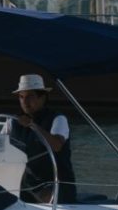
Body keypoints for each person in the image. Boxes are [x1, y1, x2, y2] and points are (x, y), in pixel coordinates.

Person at [9, 73, 75, 203]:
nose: (25, 102)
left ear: (42, 98)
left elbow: (56, 145)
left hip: (57, 187)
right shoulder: (12, 122)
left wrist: (33, 125)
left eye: (30, 97)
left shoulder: (58, 119)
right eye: (21, 97)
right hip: (26, 186)